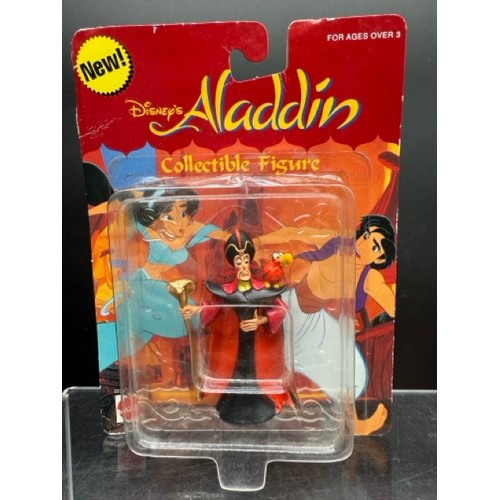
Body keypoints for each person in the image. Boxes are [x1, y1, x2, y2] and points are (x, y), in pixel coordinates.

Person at [181, 230, 292, 425]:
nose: (243, 266)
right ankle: (231, 401)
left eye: (245, 260)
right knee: (234, 369)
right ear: (233, 264)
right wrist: (195, 309)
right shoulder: (227, 290)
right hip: (233, 343)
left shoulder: (262, 288)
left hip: (258, 346)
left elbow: (281, 309)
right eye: (238, 262)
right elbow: (214, 306)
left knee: (257, 369)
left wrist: (261, 321)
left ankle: (259, 400)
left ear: (250, 260)